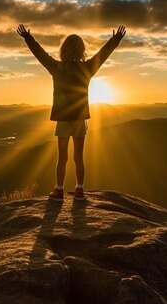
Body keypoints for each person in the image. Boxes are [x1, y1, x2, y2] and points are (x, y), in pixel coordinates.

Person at [17, 24, 126, 202]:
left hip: (63, 119)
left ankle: (59, 191)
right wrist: (115, 40)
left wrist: (28, 38)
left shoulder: (56, 68)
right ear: (82, 50)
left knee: (62, 157)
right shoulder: (88, 68)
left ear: (64, 50)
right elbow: (102, 55)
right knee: (78, 157)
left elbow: (40, 54)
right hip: (79, 119)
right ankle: (80, 190)